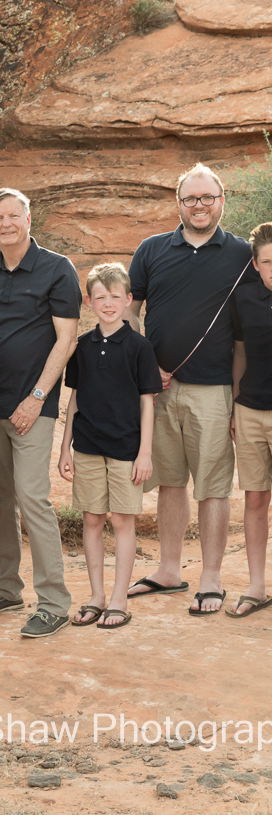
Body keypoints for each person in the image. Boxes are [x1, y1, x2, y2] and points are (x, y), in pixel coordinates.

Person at [126, 163, 254, 615]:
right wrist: (146, 364)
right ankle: (168, 570)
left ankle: (212, 577)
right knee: (170, 483)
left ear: (223, 199)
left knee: (214, 486)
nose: (199, 205)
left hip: (214, 389)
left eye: (208, 197)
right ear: (178, 203)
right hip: (158, 390)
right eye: (190, 198)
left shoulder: (243, 253)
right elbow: (129, 312)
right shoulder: (151, 249)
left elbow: (253, 322)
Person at [0, 187, 81, 638]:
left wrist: (36, 397)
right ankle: (5, 588)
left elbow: (67, 338)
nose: (6, 224)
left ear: (29, 219)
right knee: (0, 501)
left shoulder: (57, 268)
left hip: (34, 407)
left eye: (13, 215)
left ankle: (54, 601)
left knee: (33, 498)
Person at [58, 264, 161, 629]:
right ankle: (97, 596)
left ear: (129, 299)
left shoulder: (139, 346)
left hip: (126, 449)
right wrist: (64, 448)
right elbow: (75, 400)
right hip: (87, 446)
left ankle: (120, 598)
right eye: (100, 297)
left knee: (121, 520)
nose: (108, 303)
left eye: (116, 296)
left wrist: (144, 452)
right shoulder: (83, 346)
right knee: (91, 518)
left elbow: (147, 401)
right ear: (89, 301)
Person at [227, 221, 272, 618]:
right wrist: (235, 404)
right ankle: (257, 586)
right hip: (251, 410)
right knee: (255, 498)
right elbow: (239, 353)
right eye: (268, 261)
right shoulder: (244, 299)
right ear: (256, 265)